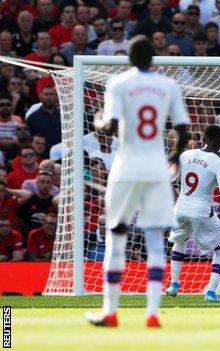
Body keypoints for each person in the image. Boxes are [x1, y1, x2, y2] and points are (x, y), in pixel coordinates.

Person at [85, 35, 190, 328]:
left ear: (129, 59)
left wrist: (96, 120)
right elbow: (183, 129)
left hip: (126, 168)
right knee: (155, 240)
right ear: (152, 59)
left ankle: (110, 311)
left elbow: (110, 126)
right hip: (156, 168)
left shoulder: (119, 83)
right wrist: (174, 156)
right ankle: (153, 313)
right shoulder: (168, 86)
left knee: (116, 237)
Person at [165, 125, 220, 302]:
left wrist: (177, 199)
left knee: (179, 240)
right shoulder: (219, 163)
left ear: (203, 139)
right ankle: (211, 293)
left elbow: (166, 180)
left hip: (180, 209)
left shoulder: (185, 155)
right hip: (201, 211)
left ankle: (174, 285)